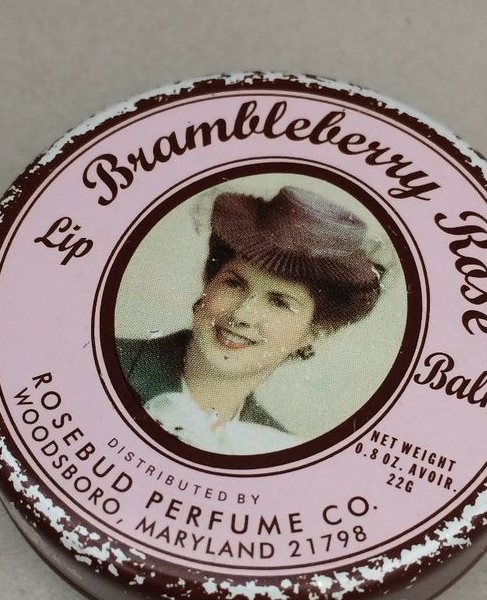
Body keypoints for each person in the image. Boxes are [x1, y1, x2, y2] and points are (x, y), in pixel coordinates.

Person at [116, 184, 385, 455]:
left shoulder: (279, 450)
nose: (242, 314)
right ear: (209, 283)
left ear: (313, 332)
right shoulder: (107, 362)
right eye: (234, 284)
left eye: (279, 302)